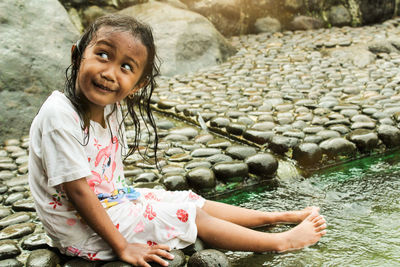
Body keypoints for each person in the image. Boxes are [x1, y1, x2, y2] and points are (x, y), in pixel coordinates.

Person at [28, 14, 327, 267]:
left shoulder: (110, 107)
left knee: (188, 199)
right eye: (103, 55)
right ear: (77, 56)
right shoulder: (59, 115)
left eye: (126, 67)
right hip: (79, 227)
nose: (109, 72)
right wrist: (123, 247)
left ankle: (274, 216)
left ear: (138, 84)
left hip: (110, 203)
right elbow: (79, 192)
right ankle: (279, 242)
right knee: (188, 214)